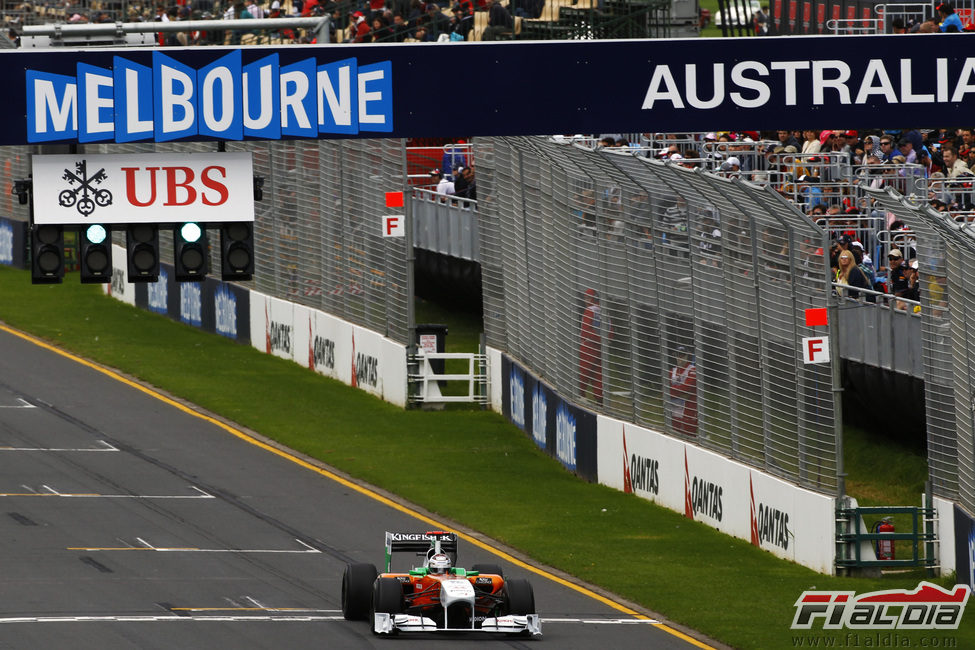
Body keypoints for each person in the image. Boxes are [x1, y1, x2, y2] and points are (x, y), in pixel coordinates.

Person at [579, 288, 604, 402]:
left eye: (588, 298)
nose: (586, 300)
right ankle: (600, 399)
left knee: (584, 373)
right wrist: (604, 340)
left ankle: (580, 396)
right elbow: (610, 329)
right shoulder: (603, 310)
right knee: (598, 374)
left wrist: (585, 340)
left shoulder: (590, 310)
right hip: (601, 347)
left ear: (593, 298)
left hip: (589, 346)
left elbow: (585, 331)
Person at [669, 347, 698, 436]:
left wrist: (673, 390)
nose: (679, 358)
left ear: (687, 356)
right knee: (674, 436)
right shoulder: (672, 371)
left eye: (682, 355)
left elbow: (687, 388)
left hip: (688, 411)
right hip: (674, 411)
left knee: (689, 437)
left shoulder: (693, 370)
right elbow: (665, 390)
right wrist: (680, 393)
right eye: (677, 355)